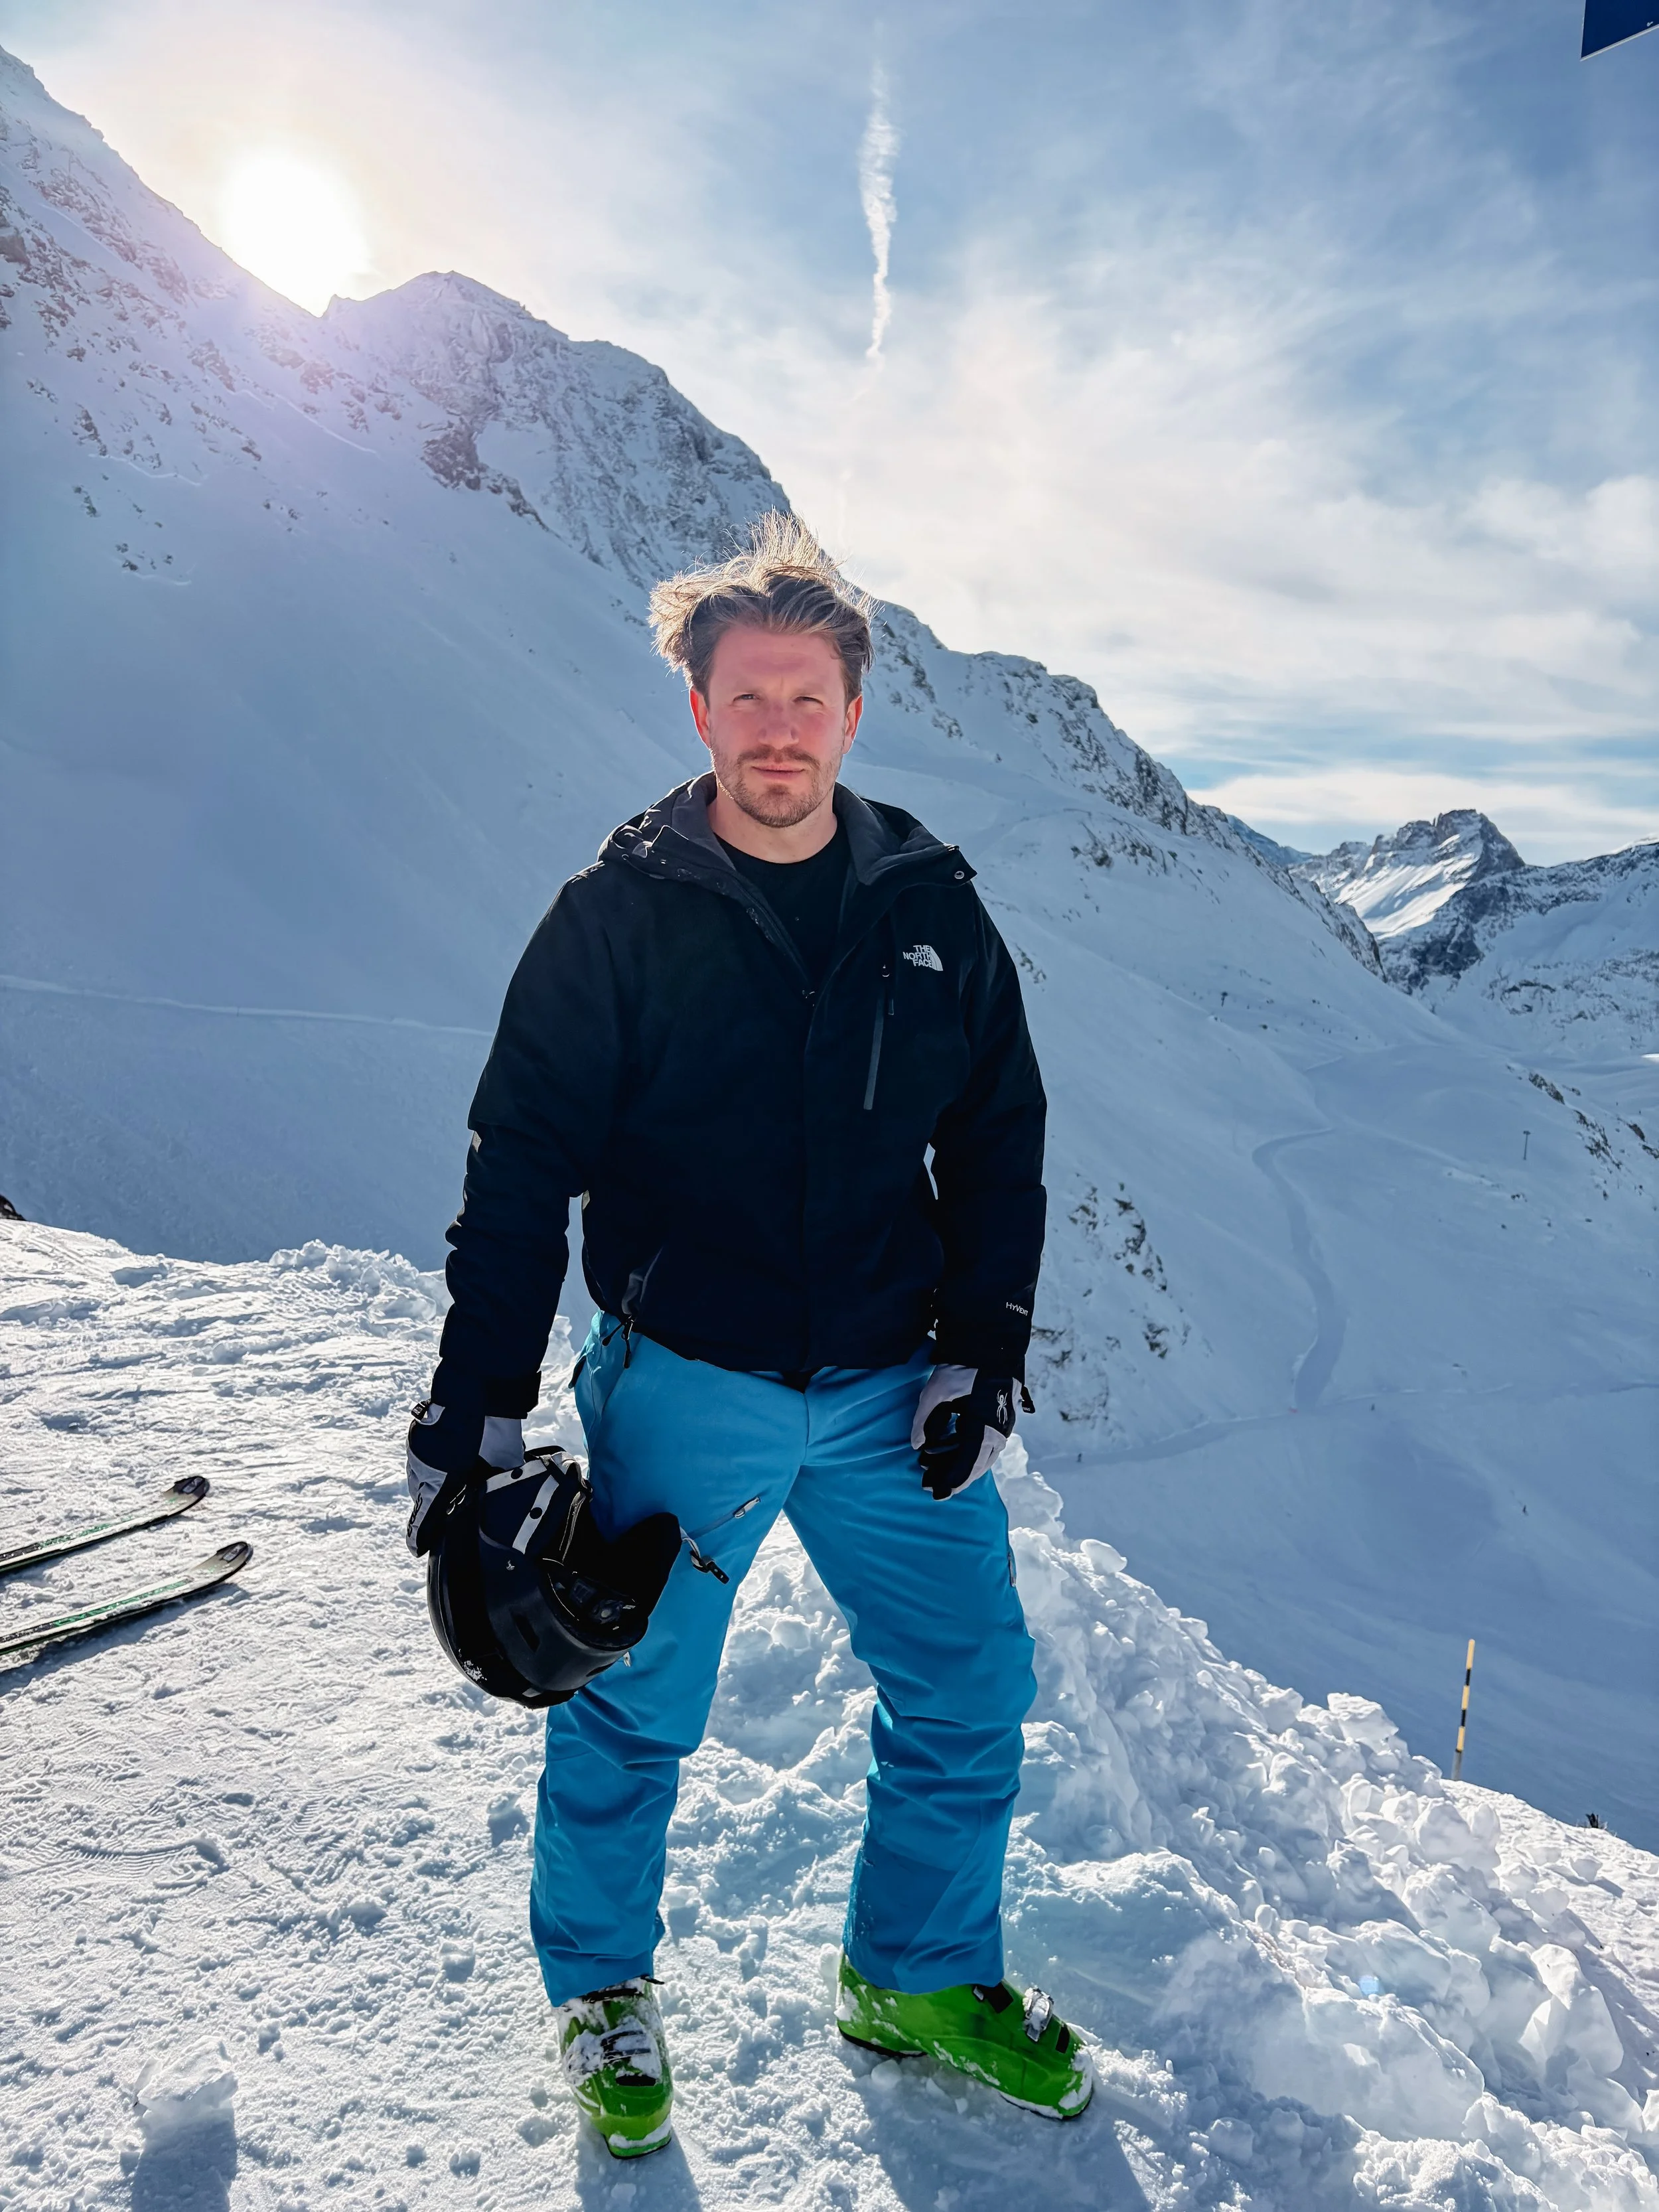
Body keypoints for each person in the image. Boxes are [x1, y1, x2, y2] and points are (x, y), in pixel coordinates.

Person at [404, 513, 1090, 2157]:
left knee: (966, 1682)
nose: (778, 730)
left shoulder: (929, 911)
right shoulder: (616, 917)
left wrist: (979, 1344)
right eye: (747, 699)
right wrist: (476, 1412)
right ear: (697, 711)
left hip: (882, 1391)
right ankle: (598, 1986)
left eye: (808, 699)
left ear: (853, 712)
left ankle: (913, 1972)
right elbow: (520, 1165)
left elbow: (998, 1134)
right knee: (629, 1694)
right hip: (686, 1383)